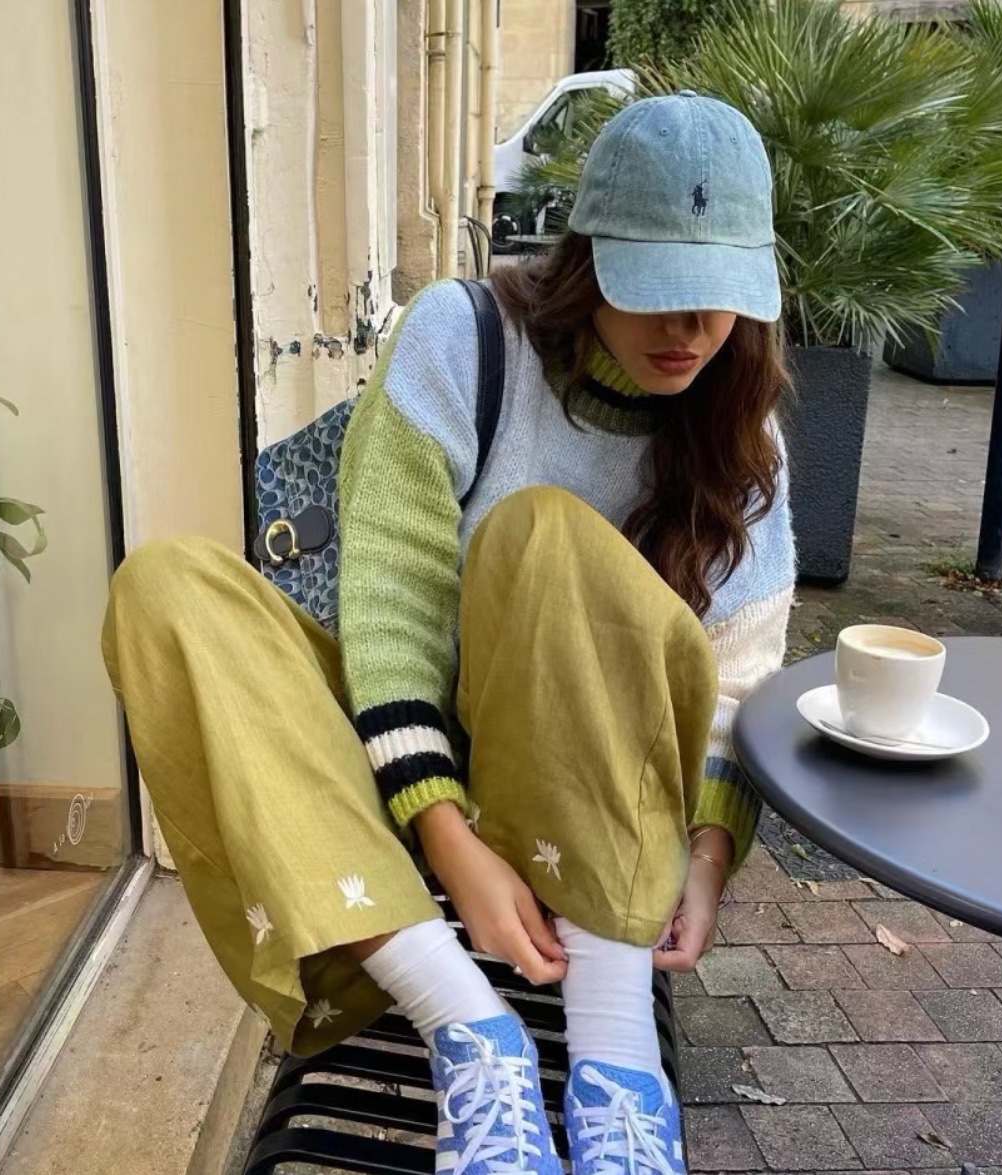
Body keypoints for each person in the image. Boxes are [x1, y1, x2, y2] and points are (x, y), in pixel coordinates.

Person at [102, 92, 793, 1175]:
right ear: (590, 255)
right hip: (415, 751)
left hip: (598, 817)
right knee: (165, 588)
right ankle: (472, 1034)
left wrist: (708, 855)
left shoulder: (745, 432)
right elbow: (392, 604)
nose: (692, 328)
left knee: (549, 536)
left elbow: (741, 671)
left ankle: (616, 1062)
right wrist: (445, 833)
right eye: (659, 286)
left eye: (722, 295)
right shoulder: (463, 338)